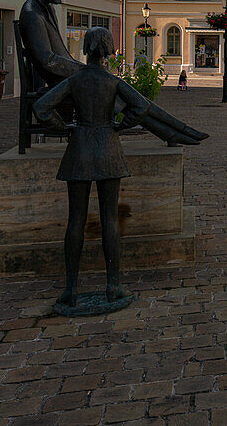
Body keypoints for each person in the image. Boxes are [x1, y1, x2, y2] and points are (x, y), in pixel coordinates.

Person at [19, 0, 206, 146]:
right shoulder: (32, 13)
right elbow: (47, 60)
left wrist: (81, 68)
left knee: (129, 97)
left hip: (70, 74)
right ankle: (174, 131)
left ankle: (175, 130)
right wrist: (83, 70)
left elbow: (59, 55)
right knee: (121, 96)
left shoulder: (45, 8)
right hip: (60, 79)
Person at [34, 27, 144, 309]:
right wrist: (121, 123)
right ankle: (112, 285)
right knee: (109, 219)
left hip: (81, 148)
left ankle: (70, 288)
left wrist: (64, 127)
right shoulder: (112, 81)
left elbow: (42, 107)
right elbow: (141, 107)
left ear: (86, 48)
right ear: (108, 50)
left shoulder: (75, 79)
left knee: (76, 220)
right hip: (107, 147)